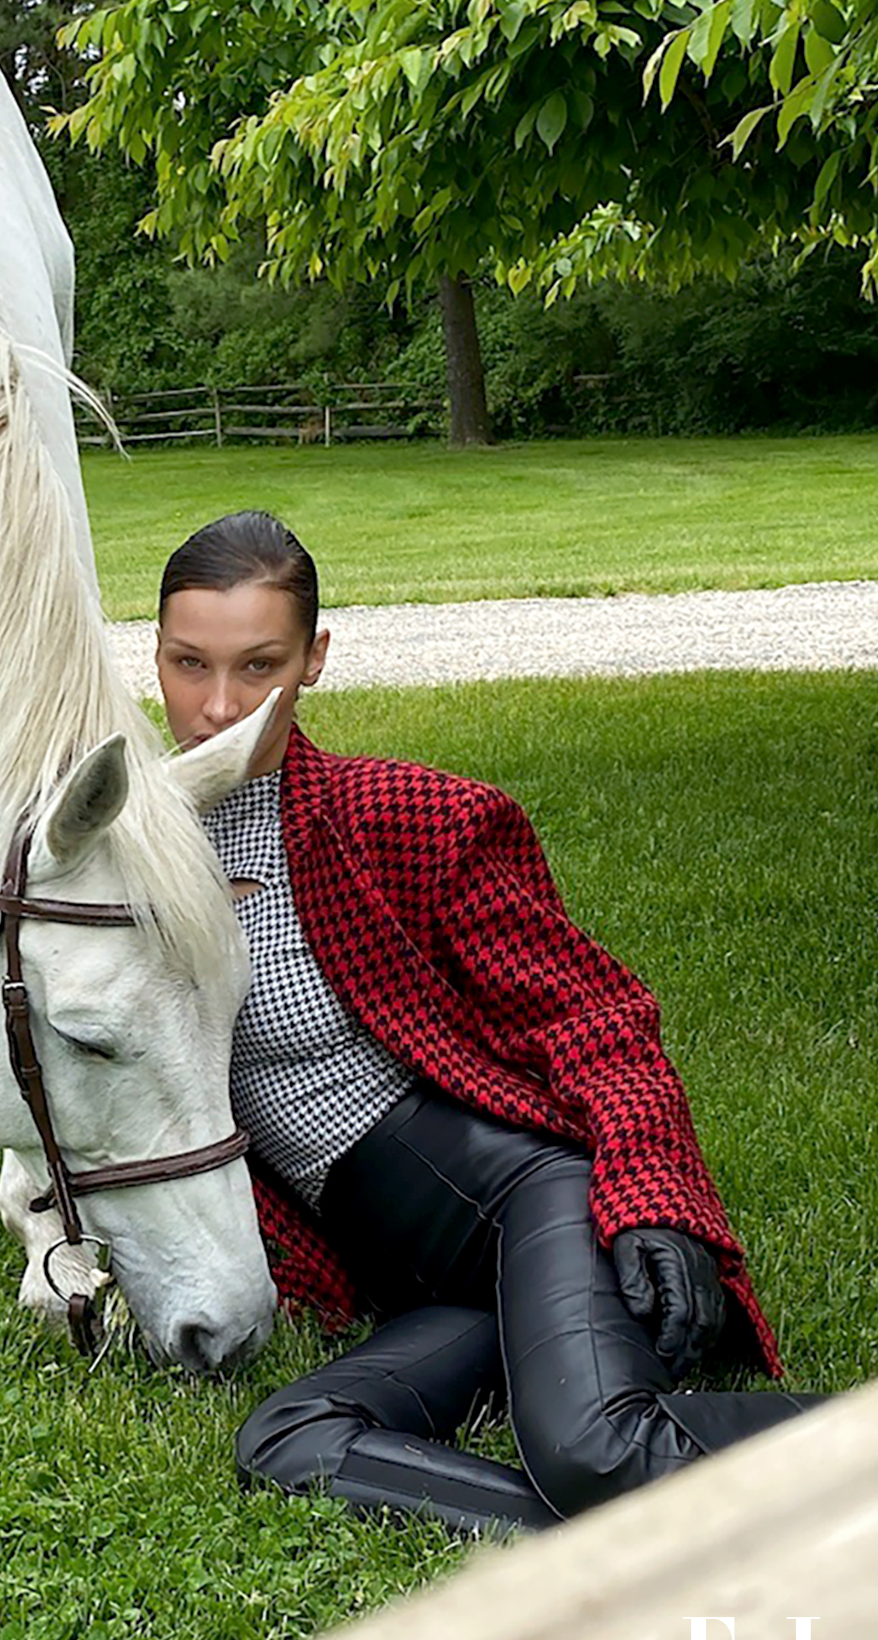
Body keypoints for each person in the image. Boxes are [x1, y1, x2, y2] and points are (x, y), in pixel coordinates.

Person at [155, 510, 823, 1538]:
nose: (215, 707)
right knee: (289, 1436)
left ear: (314, 659)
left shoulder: (409, 815)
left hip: (530, 1202)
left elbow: (593, 1015)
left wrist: (653, 1197)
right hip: (417, 1286)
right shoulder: (122, 855)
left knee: (598, 1445)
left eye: (257, 666)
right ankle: (587, 1553)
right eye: (186, 663)